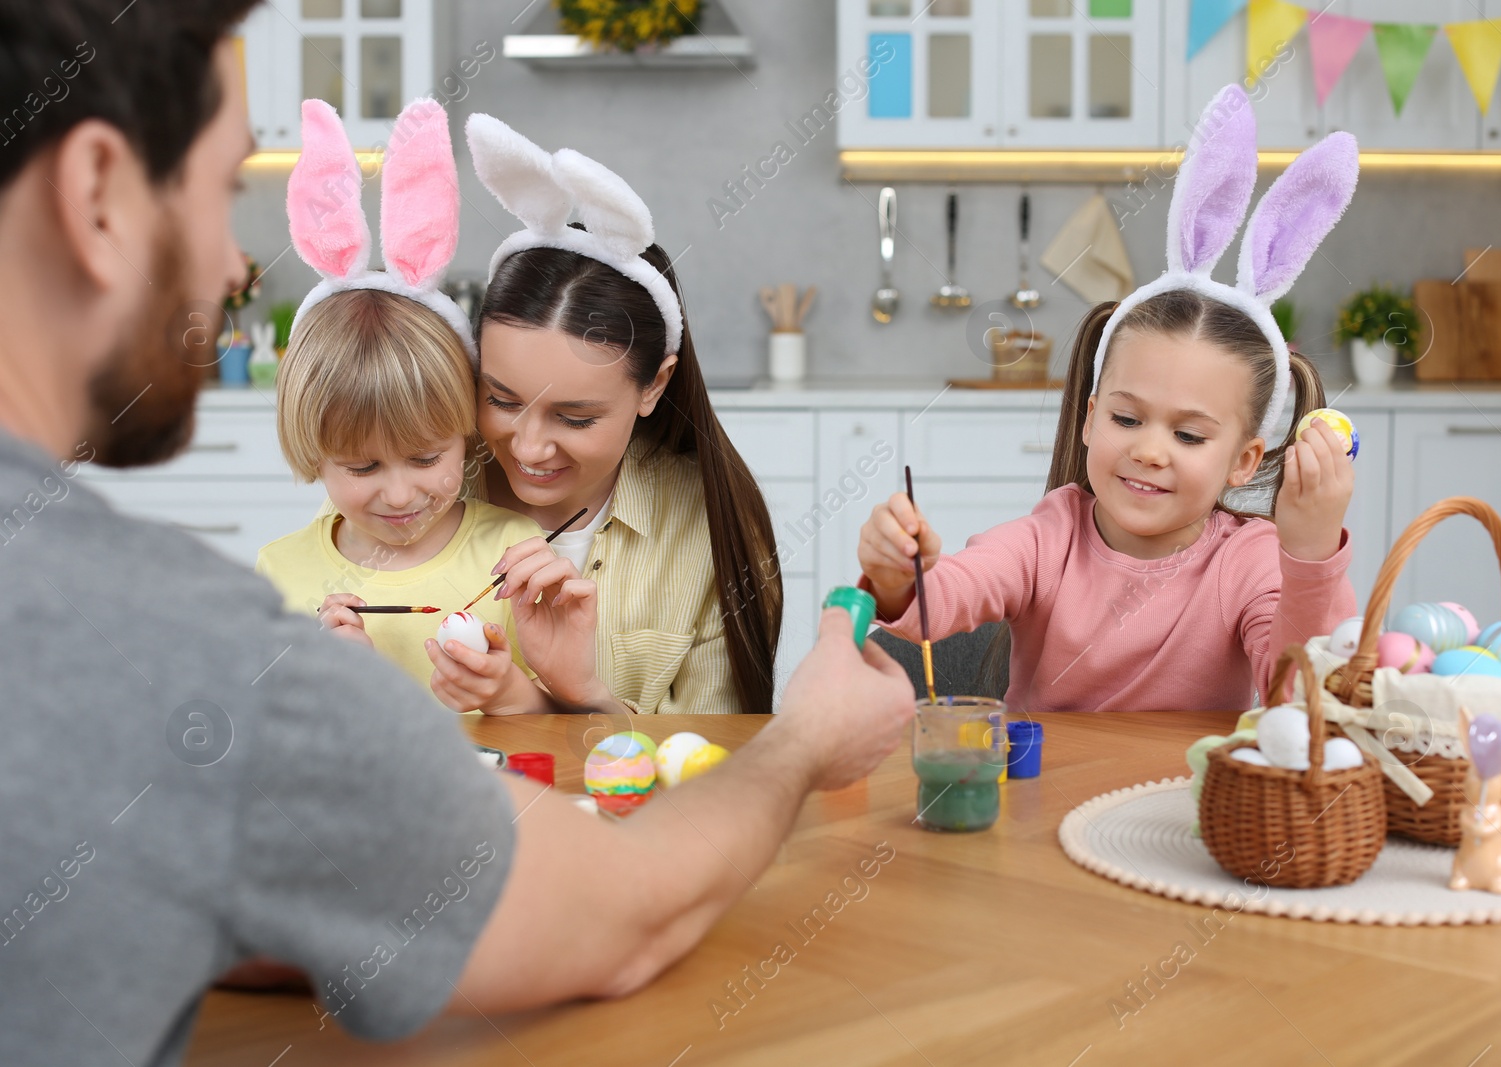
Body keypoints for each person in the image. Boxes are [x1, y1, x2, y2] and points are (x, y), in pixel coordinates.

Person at [0, 5, 915, 1065]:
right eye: (221, 194)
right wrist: (804, 739)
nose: (228, 271)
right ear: (96, 195)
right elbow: (614, 915)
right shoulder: (180, 649)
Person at [858, 85, 1359, 713]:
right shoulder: (1050, 537)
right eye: (1127, 418)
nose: (1149, 450)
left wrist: (1309, 551)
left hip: (1185, 809)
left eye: (1189, 435)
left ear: (1244, 460)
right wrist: (900, 578)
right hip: (1041, 805)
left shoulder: (1249, 561)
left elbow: (1306, 698)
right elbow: (949, 595)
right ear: (1091, 418)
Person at [256, 98, 582, 716]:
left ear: (466, 431)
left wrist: (513, 695)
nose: (401, 496)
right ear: (313, 454)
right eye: (362, 468)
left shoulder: (514, 554)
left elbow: (560, 738)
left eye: (426, 456)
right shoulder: (280, 574)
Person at [450, 114, 783, 716]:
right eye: (500, 399)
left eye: (575, 418)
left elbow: (719, 771)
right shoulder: (409, 482)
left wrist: (584, 700)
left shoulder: (713, 531)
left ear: (654, 385)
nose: (527, 448)